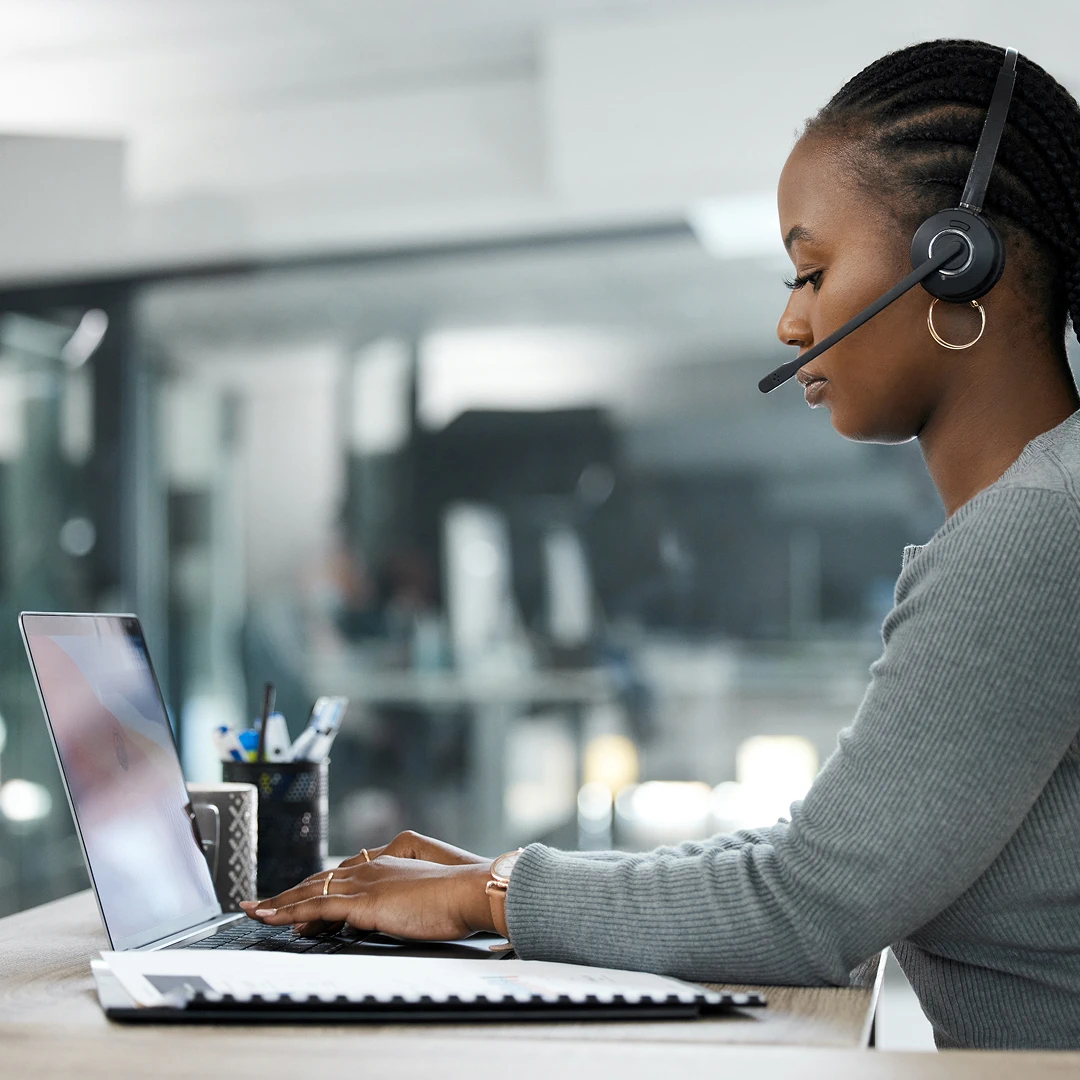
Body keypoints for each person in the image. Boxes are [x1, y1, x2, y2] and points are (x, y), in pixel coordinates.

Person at [242, 40, 1080, 1050]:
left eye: (812, 272)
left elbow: (807, 906)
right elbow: (824, 860)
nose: (789, 321)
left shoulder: (1032, 531)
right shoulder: (1040, 512)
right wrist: (504, 882)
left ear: (955, 259)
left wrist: (488, 898)